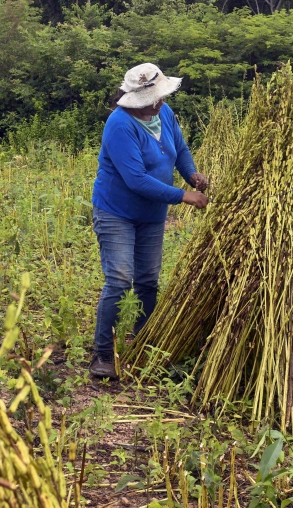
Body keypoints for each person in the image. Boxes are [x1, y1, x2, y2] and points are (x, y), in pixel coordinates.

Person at [89, 63, 209, 380]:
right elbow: (136, 180)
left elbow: (179, 149)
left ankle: (144, 342)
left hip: (151, 215)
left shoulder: (164, 114)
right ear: (142, 100)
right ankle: (102, 353)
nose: (162, 102)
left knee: (147, 280)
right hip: (116, 211)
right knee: (119, 278)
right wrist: (184, 196)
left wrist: (191, 175)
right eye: (158, 98)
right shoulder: (119, 125)